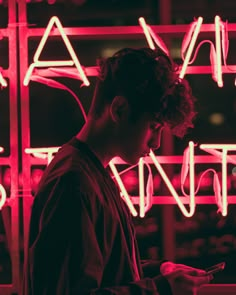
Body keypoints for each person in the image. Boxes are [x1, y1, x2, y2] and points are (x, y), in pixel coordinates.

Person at [21, 47, 212, 295]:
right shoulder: (74, 184)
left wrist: (160, 271)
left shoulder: (88, 174)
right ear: (119, 110)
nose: (155, 143)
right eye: (153, 127)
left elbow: (103, 270)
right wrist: (161, 289)